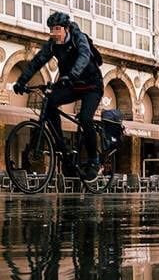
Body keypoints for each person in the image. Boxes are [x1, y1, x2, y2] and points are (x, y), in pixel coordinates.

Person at [13, 12, 104, 175]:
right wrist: (21, 81)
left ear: (66, 29)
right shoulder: (53, 44)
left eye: (57, 29)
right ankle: (62, 145)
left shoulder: (78, 38)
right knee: (50, 102)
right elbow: (37, 61)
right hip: (72, 84)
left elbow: (83, 56)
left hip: (92, 86)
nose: (54, 34)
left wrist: (73, 74)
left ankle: (94, 160)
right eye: (51, 30)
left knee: (85, 118)